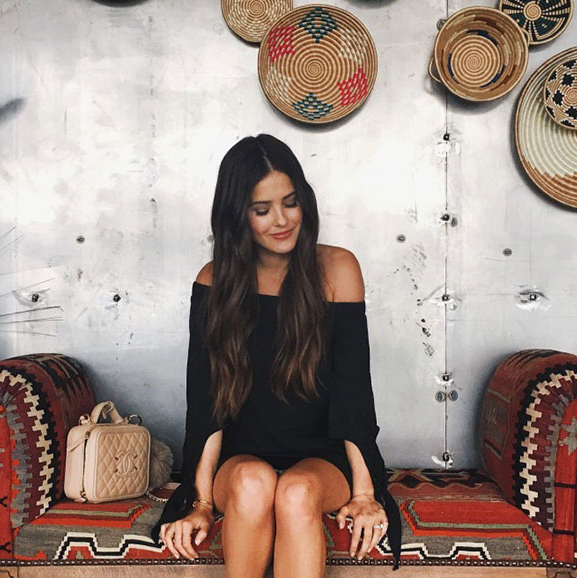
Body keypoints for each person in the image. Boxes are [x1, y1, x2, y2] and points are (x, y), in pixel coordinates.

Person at [151, 134, 401, 576]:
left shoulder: (338, 269)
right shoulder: (214, 282)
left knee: (296, 492)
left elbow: (353, 394)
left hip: (323, 457)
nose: (282, 220)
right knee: (254, 483)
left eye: (291, 202)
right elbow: (207, 402)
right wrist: (201, 502)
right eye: (262, 210)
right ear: (237, 216)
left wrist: (365, 494)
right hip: (241, 458)